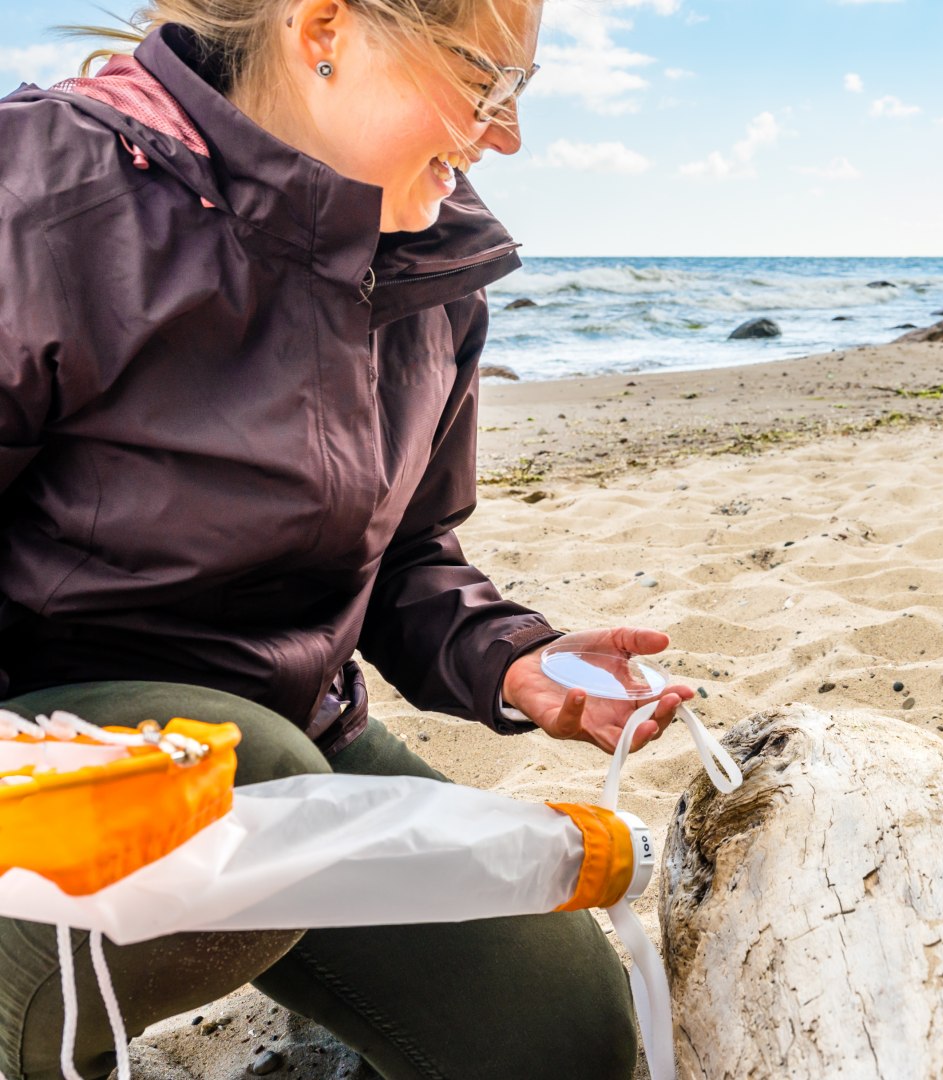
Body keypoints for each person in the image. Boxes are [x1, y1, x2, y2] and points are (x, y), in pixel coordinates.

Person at [0, 2, 691, 1076]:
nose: (505, 134)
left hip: (293, 742)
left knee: (556, 1033)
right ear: (324, 29)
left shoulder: (433, 264)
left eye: (523, 92)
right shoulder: (44, 188)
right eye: (484, 81)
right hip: (50, 760)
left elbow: (408, 555)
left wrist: (516, 662)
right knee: (241, 772)